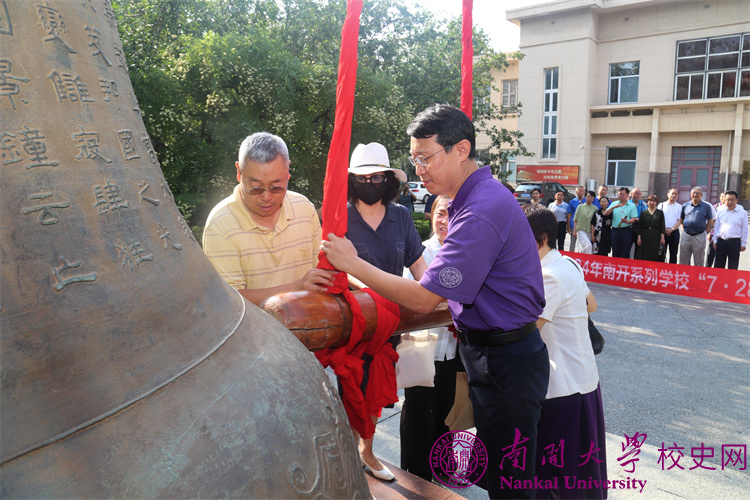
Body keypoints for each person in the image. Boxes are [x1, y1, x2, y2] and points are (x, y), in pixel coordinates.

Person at [323, 104, 549, 499]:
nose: (419, 169)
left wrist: (352, 262)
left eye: (426, 157)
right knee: (505, 473)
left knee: (512, 480)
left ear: (461, 150)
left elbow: (426, 297)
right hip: (496, 354)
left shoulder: (479, 211)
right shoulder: (474, 201)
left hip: (506, 360)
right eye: (414, 159)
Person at [345, 142, 427, 481]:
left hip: (390, 323)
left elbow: (419, 266)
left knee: (376, 390)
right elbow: (333, 265)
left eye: (377, 177)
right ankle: (346, 455)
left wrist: (435, 296)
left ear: (388, 180)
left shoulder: (401, 217)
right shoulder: (340, 214)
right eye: (363, 178)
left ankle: (367, 450)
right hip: (351, 322)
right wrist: (367, 290)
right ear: (352, 180)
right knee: (348, 388)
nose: (371, 184)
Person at [523, 204, 607, 500]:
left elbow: (528, 328)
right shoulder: (568, 264)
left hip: (562, 387)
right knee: (581, 465)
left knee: (558, 471)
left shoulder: (548, 276)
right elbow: (591, 305)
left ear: (542, 237)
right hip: (583, 380)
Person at [202, 132, 336, 305]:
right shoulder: (221, 225)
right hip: (255, 330)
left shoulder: (304, 209)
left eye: (276, 187)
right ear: (239, 172)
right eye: (256, 188)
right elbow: (229, 300)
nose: (266, 197)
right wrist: (297, 287)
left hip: (310, 324)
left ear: (288, 172)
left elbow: (321, 273)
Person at [400, 195, 462, 482]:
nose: (443, 220)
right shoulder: (420, 253)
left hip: (453, 349)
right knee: (417, 411)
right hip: (421, 346)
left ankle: (443, 467)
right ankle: (416, 473)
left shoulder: (466, 252)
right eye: (439, 213)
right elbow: (408, 296)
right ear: (431, 216)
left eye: (450, 214)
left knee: (446, 410)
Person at [674, 187, 715, 266]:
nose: (695, 195)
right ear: (690, 194)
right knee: (683, 259)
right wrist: (683, 227)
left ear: (702, 195)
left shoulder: (706, 206)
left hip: (699, 236)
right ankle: (684, 276)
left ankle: (697, 277)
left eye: (697, 193)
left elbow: (710, 221)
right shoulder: (685, 205)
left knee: (698, 260)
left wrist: (705, 231)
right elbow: (681, 219)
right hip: (686, 235)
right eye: (693, 193)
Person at [713, 191, 748, 270]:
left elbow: (745, 229)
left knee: (733, 266)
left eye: (732, 200)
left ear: (737, 200)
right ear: (724, 200)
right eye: (728, 199)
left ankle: (730, 282)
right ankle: (718, 282)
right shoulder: (720, 211)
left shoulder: (742, 213)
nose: (730, 202)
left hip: (734, 242)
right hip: (721, 242)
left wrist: (743, 243)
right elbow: (717, 227)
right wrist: (715, 240)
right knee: (718, 265)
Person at [604, 187, 638, 259]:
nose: (620, 196)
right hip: (615, 231)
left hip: (626, 230)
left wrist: (627, 221)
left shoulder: (632, 206)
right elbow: (606, 213)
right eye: (619, 194)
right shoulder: (614, 203)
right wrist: (613, 207)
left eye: (622, 194)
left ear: (628, 195)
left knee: (626, 252)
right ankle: (615, 268)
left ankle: (624, 268)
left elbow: (633, 219)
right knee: (615, 251)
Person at [635, 195, 667, 261]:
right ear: (647, 202)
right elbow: (640, 226)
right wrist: (639, 238)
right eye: (650, 201)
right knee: (644, 253)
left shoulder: (660, 213)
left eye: (654, 201)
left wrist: (662, 238)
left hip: (656, 235)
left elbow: (662, 226)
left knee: (655, 253)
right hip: (645, 235)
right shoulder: (644, 213)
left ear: (656, 202)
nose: (652, 202)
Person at [658, 189, 682, 264]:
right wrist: (664, 229)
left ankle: (672, 271)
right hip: (662, 232)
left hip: (674, 232)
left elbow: (680, 220)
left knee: (673, 253)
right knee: (661, 253)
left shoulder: (679, 207)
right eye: (672, 193)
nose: (674, 195)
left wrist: (671, 229)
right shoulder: (661, 205)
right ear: (668, 194)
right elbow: (658, 219)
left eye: (676, 194)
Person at [705, 192, 725, 267]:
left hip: (721, 236)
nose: (723, 198)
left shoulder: (727, 209)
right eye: (722, 197)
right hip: (713, 234)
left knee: (719, 256)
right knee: (710, 254)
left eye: (725, 197)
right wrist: (710, 232)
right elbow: (711, 221)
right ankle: (707, 270)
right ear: (720, 197)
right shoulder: (714, 207)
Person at [567, 185, 585, 252]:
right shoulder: (572, 201)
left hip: (583, 225)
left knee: (582, 243)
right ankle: (571, 256)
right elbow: (569, 214)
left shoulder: (586, 201)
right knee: (573, 242)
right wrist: (568, 225)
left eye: (582, 191)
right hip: (573, 225)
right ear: (576, 192)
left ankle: (580, 256)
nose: (581, 192)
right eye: (579, 191)